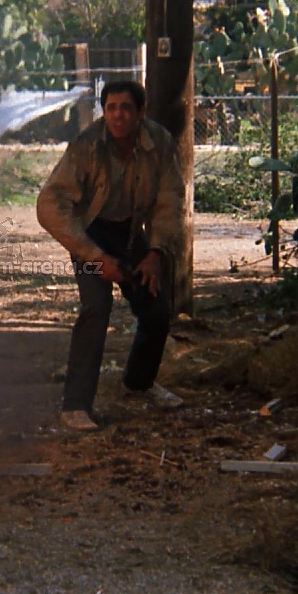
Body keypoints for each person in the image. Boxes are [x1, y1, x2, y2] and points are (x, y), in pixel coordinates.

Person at [37, 80, 188, 432]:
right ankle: (75, 406)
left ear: (140, 113)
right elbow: (49, 204)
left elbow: (170, 202)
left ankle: (139, 383)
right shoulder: (87, 145)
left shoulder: (160, 143)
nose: (118, 115)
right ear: (104, 112)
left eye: (126, 108)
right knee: (96, 307)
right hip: (88, 236)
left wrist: (156, 253)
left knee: (156, 308)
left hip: (131, 233)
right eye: (111, 108)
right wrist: (94, 256)